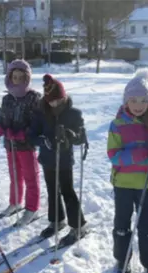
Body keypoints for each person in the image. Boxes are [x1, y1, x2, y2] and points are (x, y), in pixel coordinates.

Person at [107, 69, 148, 273]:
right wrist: (141, 154)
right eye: (133, 100)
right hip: (123, 183)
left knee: (146, 225)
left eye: (143, 100)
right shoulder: (117, 125)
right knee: (122, 224)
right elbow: (113, 156)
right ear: (126, 100)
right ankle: (122, 261)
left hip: (146, 184)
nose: (138, 104)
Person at [28, 74, 88, 245]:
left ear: (64, 96)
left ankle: (78, 226)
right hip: (47, 158)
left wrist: (70, 135)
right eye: (51, 100)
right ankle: (56, 220)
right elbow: (32, 135)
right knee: (52, 191)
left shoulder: (73, 113)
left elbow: (81, 137)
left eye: (58, 100)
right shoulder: (40, 113)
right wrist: (43, 141)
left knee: (67, 191)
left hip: (64, 160)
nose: (54, 103)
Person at [0, 59, 41, 226]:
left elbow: (37, 122)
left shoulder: (33, 97)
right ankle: (15, 202)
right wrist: (0, 127)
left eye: (21, 77)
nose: (18, 80)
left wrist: (25, 133)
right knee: (15, 175)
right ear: (10, 77)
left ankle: (32, 208)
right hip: (10, 144)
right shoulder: (7, 98)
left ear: (27, 78)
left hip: (26, 145)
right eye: (15, 76)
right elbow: (3, 118)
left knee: (30, 177)